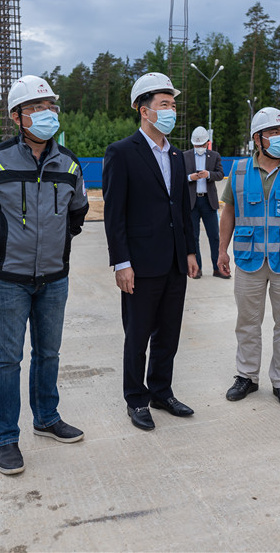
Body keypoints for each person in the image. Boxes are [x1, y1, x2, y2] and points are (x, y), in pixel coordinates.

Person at [0, 75, 90, 474]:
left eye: (50, 106)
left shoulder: (69, 163)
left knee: (49, 353)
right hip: (8, 279)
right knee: (7, 359)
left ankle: (47, 418)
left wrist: (53, 246)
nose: (46, 113)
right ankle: (6, 438)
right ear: (17, 116)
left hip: (54, 277)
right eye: (36, 107)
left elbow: (78, 214)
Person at [103, 72, 199, 431]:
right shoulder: (122, 152)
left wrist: (190, 252)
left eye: (173, 104)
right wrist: (121, 262)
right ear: (144, 111)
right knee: (138, 335)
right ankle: (136, 398)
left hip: (174, 261)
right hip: (140, 263)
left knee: (168, 333)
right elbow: (114, 214)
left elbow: (181, 208)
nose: (171, 110)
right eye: (164, 104)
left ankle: (161, 391)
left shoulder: (175, 155)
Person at [216, 107, 280, 408]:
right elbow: (229, 212)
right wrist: (222, 250)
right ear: (257, 139)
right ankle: (246, 376)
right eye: (274, 132)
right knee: (247, 322)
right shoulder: (238, 171)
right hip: (248, 259)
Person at [184, 125, 227, 279]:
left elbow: (220, 174)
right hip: (192, 202)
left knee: (214, 236)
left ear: (207, 143)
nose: (199, 148)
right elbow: (178, 177)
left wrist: (208, 174)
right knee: (193, 237)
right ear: (193, 143)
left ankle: (217, 268)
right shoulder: (185, 156)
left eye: (202, 145)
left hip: (209, 202)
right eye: (197, 145)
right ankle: (197, 269)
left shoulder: (214, 156)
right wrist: (190, 178)